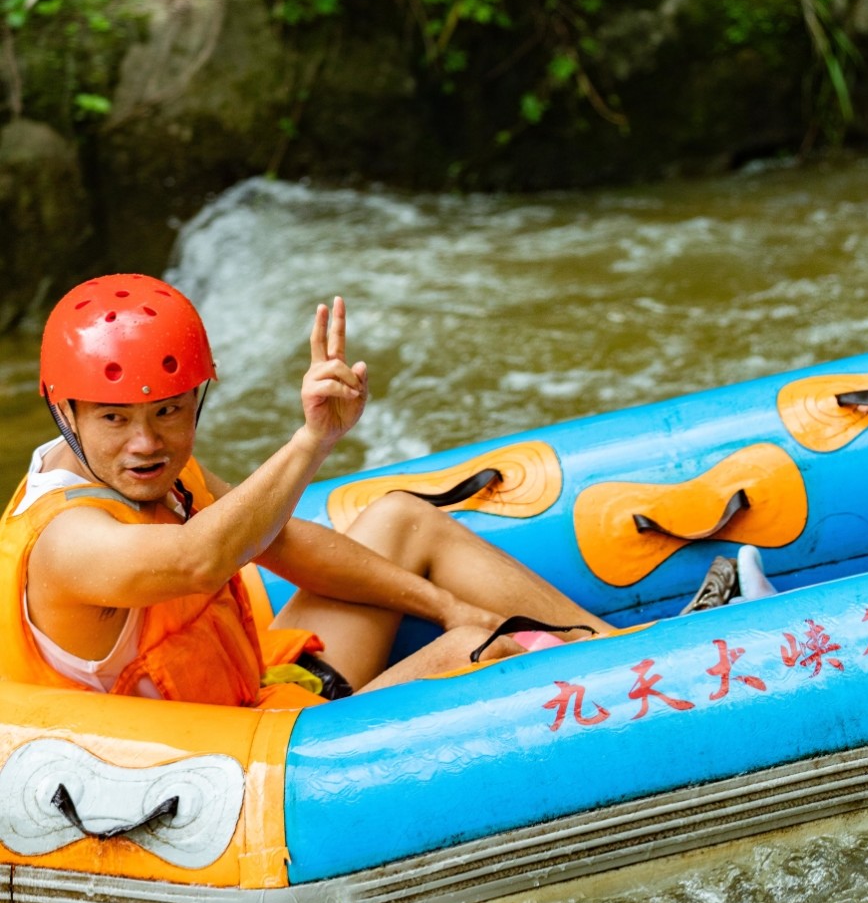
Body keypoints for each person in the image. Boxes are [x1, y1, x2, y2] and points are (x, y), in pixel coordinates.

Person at [0, 275, 609, 706]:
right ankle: (619, 685)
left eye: (169, 412)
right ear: (66, 414)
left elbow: (279, 540)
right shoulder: (68, 541)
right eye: (115, 420)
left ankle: (627, 650)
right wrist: (312, 440)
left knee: (402, 520)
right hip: (232, 775)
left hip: (259, 696)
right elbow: (197, 559)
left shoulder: (154, 472)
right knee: (481, 649)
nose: (146, 443)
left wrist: (445, 605)